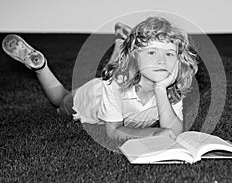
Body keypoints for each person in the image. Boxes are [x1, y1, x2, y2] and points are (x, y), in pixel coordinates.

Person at [2, 16, 199, 144]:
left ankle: (121, 42)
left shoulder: (172, 85)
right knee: (61, 99)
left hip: (118, 78)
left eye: (170, 54)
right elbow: (113, 132)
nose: (161, 61)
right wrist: (154, 134)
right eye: (152, 52)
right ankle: (40, 67)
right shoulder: (115, 84)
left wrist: (160, 90)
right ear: (136, 55)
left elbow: (174, 131)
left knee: (114, 72)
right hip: (91, 99)